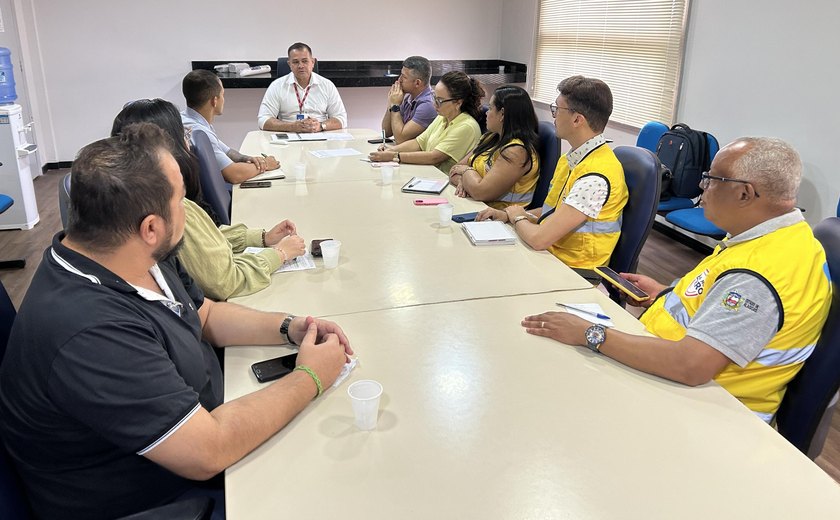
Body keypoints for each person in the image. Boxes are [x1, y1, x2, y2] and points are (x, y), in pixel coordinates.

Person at [0, 123, 352, 520]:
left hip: (196, 437)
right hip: (163, 500)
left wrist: (289, 326)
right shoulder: (88, 330)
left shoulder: (131, 254)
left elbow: (205, 315)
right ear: (150, 228)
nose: (188, 212)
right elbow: (208, 449)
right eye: (182, 201)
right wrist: (311, 377)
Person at [522, 137, 831, 423]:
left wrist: (591, 334)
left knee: (553, 393)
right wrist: (664, 294)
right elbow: (718, 299)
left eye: (711, 180)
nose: (701, 187)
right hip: (680, 378)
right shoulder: (782, 238)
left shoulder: (760, 273)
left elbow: (689, 365)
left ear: (744, 193)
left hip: (707, 411)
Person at [113, 98, 305, 301]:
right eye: (184, 133)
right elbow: (225, 281)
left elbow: (205, 239)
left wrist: (261, 238)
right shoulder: (169, 209)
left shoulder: (136, 198)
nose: (189, 140)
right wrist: (280, 254)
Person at [477, 75, 627, 269]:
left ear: (577, 119)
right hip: (551, 258)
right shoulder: (572, 159)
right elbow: (553, 213)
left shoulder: (595, 177)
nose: (553, 115)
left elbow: (539, 239)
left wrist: (517, 216)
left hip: (573, 272)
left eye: (557, 109)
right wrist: (507, 215)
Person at [368, 71, 483, 174]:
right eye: (434, 97)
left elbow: (434, 157)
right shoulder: (443, 117)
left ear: (458, 103)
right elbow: (419, 142)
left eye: (439, 101)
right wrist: (390, 149)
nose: (434, 104)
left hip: (445, 182)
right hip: (428, 173)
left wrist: (394, 156)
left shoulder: (466, 126)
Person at [181, 69, 280, 184]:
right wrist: (266, 164)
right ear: (214, 101)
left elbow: (227, 152)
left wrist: (248, 159)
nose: (224, 99)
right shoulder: (199, 132)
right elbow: (234, 174)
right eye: (222, 94)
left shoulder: (188, 119)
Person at [448, 85, 540, 209]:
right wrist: (463, 182)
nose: (486, 112)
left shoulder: (516, 152)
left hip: (501, 220)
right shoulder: (490, 138)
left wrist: (465, 172)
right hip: (476, 208)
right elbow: (454, 170)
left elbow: (480, 192)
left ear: (502, 114)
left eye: (490, 108)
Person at [258, 42, 348, 133]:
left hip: (320, 135)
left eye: (305, 61)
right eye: (296, 62)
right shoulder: (277, 86)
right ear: (289, 64)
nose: (301, 66)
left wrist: (321, 126)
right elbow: (263, 120)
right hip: (289, 136)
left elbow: (341, 118)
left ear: (312, 62)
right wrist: (292, 127)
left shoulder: (327, 85)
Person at [381, 56, 437, 144]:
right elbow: (386, 132)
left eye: (404, 77)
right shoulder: (409, 98)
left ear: (417, 83)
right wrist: (391, 103)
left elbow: (401, 139)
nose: (399, 80)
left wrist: (395, 105)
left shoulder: (428, 105)